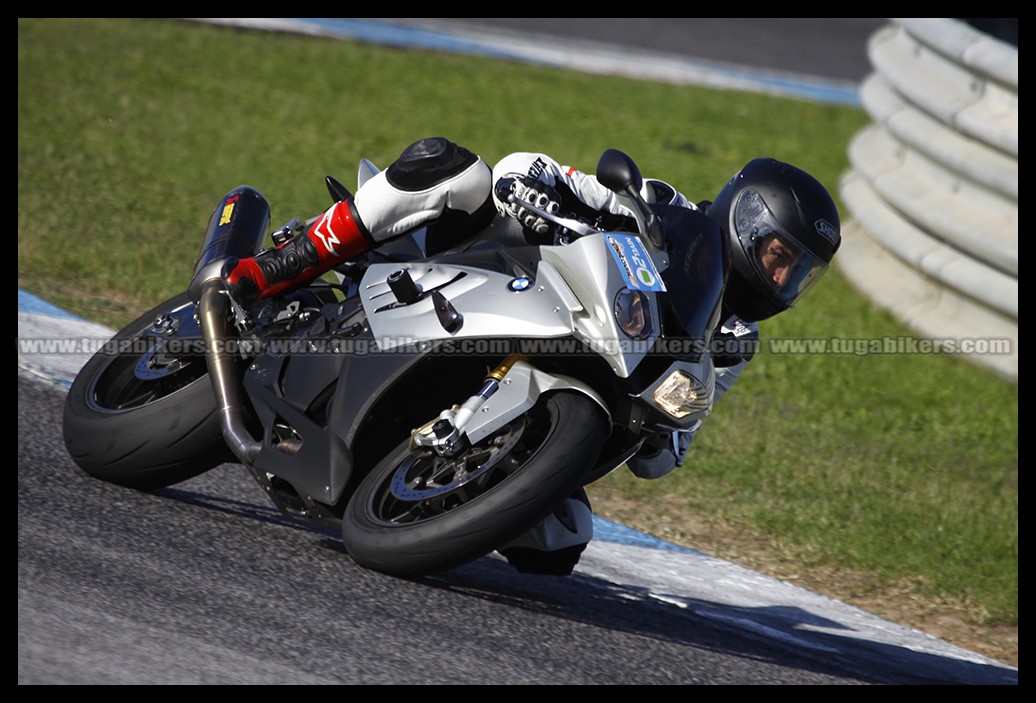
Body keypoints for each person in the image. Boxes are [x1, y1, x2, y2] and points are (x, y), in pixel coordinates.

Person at [220, 137, 841, 575]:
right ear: (746, 219)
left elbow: (669, 454)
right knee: (455, 169)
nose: (781, 279)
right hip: (494, 273)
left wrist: (661, 435)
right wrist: (540, 203)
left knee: (559, 540)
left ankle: (422, 489)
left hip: (567, 379)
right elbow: (533, 169)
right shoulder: (661, 206)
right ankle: (277, 267)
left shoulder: (731, 344)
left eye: (796, 273)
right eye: (777, 255)